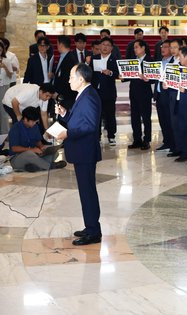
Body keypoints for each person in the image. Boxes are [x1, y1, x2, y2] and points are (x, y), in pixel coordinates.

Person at [56, 63, 102, 246]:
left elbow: (89, 126)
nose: (68, 80)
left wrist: (67, 133)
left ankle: (93, 231)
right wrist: (65, 113)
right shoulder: (83, 94)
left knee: (88, 192)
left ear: (81, 79)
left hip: (85, 151)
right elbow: (79, 120)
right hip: (81, 150)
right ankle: (90, 226)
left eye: (71, 77)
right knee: (86, 191)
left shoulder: (89, 96)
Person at [8, 107, 65, 172]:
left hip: (34, 156)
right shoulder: (16, 128)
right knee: (29, 154)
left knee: (55, 153)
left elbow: (37, 141)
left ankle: (34, 166)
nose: (35, 123)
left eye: (36, 121)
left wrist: (42, 147)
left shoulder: (35, 127)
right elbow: (14, 148)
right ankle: (50, 166)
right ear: (25, 119)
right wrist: (32, 150)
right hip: (17, 159)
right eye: (33, 121)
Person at [125, 40, 154, 150]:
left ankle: (147, 140)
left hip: (145, 93)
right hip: (133, 92)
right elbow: (129, 75)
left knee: (146, 117)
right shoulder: (133, 61)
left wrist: (148, 79)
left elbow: (154, 78)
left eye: (137, 47)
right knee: (134, 117)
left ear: (143, 48)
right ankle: (137, 139)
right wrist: (123, 76)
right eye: (134, 47)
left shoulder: (149, 61)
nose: (135, 49)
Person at [91, 37, 119, 145]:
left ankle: (111, 136)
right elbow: (90, 73)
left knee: (110, 115)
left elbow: (117, 73)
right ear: (100, 46)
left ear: (111, 48)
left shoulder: (114, 59)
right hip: (96, 92)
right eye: (103, 44)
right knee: (96, 115)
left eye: (108, 45)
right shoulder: (94, 58)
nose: (105, 47)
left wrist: (111, 73)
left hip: (109, 92)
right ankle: (96, 136)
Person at [52, 35, 78, 109]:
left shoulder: (70, 59)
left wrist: (58, 94)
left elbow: (67, 79)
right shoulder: (63, 56)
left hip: (66, 96)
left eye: (57, 43)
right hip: (60, 95)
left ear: (61, 44)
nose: (57, 45)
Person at [0, 40, 12, 134]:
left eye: (0, 50)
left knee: (3, 110)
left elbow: (10, 76)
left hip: (4, 87)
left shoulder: (6, 60)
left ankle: (5, 132)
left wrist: (5, 67)